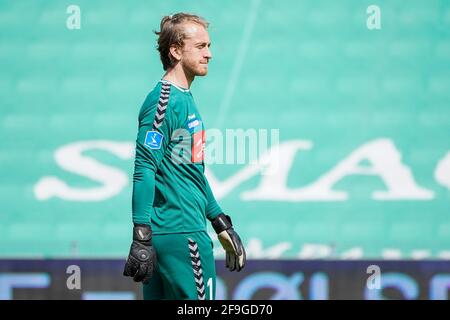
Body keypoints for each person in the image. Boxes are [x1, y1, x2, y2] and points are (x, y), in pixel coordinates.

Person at [123, 13, 246, 300]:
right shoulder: (163, 101)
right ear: (176, 51)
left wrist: (219, 222)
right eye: (201, 46)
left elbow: (192, 172)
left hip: (178, 232)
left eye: (209, 45)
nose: (209, 54)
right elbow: (144, 168)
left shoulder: (185, 98)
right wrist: (141, 234)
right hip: (181, 234)